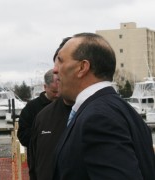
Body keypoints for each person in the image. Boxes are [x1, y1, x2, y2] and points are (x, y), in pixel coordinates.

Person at [53, 32, 155, 180]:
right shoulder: (121, 110)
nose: (55, 69)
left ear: (82, 67)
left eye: (60, 61)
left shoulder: (98, 118)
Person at [29, 37, 73, 180]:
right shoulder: (43, 116)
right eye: (56, 65)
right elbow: (34, 158)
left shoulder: (107, 116)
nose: (55, 71)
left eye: (61, 63)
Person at [17, 68, 59, 166]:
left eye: (60, 91)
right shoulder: (31, 108)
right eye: (54, 91)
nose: (58, 95)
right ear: (45, 87)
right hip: (40, 163)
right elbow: (23, 136)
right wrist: (45, 135)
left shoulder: (68, 104)